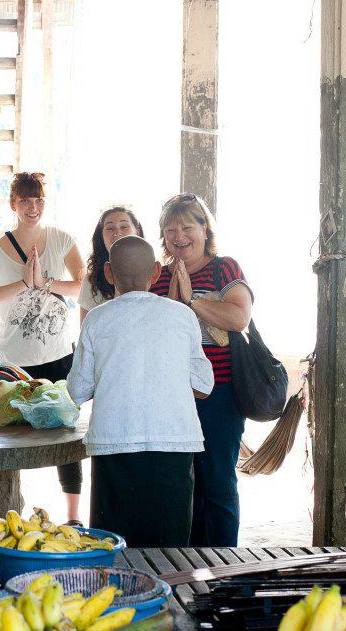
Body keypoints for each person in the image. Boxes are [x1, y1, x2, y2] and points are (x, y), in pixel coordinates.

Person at [67, 236, 214, 547]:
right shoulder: (182, 316)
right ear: (157, 272)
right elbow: (204, 384)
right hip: (174, 442)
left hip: (114, 443)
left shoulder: (96, 318)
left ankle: (120, 595)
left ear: (108, 273)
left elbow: (77, 391)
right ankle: (170, 593)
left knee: (115, 545)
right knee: (170, 547)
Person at [0, 171, 86, 524]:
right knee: (4, 437)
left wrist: (46, 283)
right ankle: (9, 515)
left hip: (56, 355)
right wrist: (23, 283)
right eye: (25, 200)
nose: (32, 207)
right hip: (9, 359)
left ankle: (73, 516)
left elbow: (84, 286)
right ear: (13, 204)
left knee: (67, 438)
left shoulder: (61, 239)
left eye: (38, 200)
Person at [149, 193, 253, 547]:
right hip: (172, 398)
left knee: (218, 483)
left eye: (187, 227)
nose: (179, 236)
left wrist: (192, 300)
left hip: (220, 394)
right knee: (182, 484)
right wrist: (173, 302)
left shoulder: (224, 267)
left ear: (205, 229)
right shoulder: (158, 278)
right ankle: (188, 562)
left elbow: (238, 318)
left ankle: (223, 564)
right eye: (170, 229)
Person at [78, 206, 145, 323]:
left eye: (124, 226)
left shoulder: (151, 272)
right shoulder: (91, 281)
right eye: (109, 228)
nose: (117, 232)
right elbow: (85, 331)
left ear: (137, 231)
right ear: (101, 237)